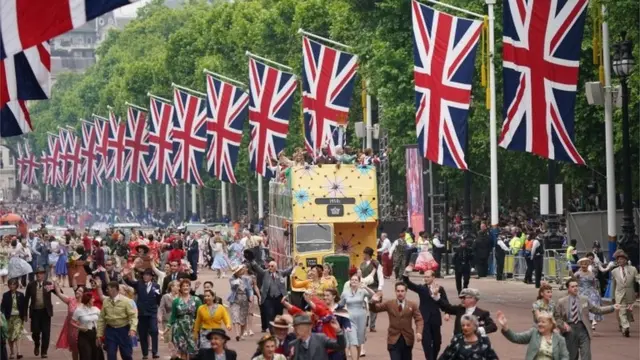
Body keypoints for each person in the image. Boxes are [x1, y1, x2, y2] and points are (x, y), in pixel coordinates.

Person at [553, 278, 621, 360]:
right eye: (572, 286)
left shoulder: (584, 299)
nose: (575, 288)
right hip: (569, 330)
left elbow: (597, 310)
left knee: (586, 355)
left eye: (576, 286)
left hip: (583, 329)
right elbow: (557, 317)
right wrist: (563, 325)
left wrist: (612, 307)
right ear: (568, 288)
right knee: (572, 356)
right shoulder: (561, 302)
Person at [403, 266, 449, 360]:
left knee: (437, 342)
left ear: (433, 277)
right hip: (424, 319)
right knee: (426, 342)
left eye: (428, 277)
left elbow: (445, 303)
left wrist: (447, 312)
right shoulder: (421, 288)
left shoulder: (440, 288)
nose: (426, 279)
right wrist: (406, 273)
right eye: (425, 277)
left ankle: (433, 358)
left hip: (435, 319)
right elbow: (408, 283)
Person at [368, 282, 423, 360]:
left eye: (402, 291)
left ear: (406, 292)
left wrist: (419, 332)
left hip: (407, 340)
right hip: (393, 339)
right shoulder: (390, 304)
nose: (400, 293)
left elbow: (419, 319)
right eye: (398, 291)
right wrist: (372, 302)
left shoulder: (412, 305)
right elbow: (375, 309)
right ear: (395, 291)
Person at [497, 310, 569, 360]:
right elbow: (516, 338)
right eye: (539, 322)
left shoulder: (559, 339)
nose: (539, 324)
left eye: (543, 322)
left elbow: (565, 357)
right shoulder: (533, 333)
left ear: (551, 324)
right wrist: (505, 327)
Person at [248, 257, 296, 329]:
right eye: (269, 266)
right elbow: (257, 268)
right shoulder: (265, 273)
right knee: (270, 314)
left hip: (279, 298)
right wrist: (252, 260)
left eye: (272, 266)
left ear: (276, 267)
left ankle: (278, 328)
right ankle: (272, 331)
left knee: (278, 314)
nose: (270, 267)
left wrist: (294, 265)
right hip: (268, 298)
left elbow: (288, 271)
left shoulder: (280, 273)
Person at [123, 267, 161, 359]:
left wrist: (158, 311)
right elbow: (129, 282)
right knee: (143, 333)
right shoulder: (139, 284)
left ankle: (155, 352)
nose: (145, 277)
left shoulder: (156, 286)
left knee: (154, 330)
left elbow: (158, 299)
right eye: (144, 275)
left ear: (151, 277)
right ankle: (145, 353)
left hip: (152, 312)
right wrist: (125, 275)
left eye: (147, 275)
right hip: (142, 313)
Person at [97, 281, 138, 360]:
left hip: (123, 330)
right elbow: (101, 319)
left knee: (126, 355)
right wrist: (99, 334)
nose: (106, 291)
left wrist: (133, 329)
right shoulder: (106, 302)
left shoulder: (126, 301)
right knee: (111, 355)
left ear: (114, 289)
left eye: (108, 289)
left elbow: (133, 316)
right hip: (110, 330)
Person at [432, 288, 497, 336]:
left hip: (474, 344)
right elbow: (447, 307)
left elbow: (493, 327)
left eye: (464, 298)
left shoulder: (482, 313)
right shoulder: (459, 309)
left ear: (473, 299)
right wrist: (437, 297)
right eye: (461, 298)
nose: (462, 300)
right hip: (458, 342)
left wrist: (477, 330)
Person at [340, 274, 374, 359]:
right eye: (352, 280)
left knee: (358, 341)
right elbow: (340, 305)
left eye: (356, 280)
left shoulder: (362, 291)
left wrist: (365, 287)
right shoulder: (345, 293)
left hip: (361, 317)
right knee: (352, 341)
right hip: (349, 318)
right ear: (350, 282)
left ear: (359, 282)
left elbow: (373, 295)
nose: (354, 281)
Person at [24, 267, 54, 358]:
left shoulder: (48, 284)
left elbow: (59, 292)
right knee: (35, 332)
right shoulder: (31, 285)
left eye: (41, 273)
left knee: (46, 333)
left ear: (44, 275)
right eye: (37, 274)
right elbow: (26, 299)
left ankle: (44, 351)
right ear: (35, 275)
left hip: (46, 312)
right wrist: (25, 314)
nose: (39, 275)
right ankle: (37, 344)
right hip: (35, 312)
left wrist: (55, 284)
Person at [169, 279, 202, 358]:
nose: (185, 287)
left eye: (187, 286)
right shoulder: (176, 301)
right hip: (179, 328)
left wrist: (200, 328)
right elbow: (173, 316)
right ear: (180, 288)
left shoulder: (196, 300)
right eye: (183, 286)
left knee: (193, 353)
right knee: (182, 352)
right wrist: (168, 326)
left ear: (190, 287)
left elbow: (200, 315)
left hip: (192, 328)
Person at [610, 249, 639, 337]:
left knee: (628, 311)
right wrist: (612, 296)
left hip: (630, 293)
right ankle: (625, 327)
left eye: (621, 259)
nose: (619, 261)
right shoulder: (614, 271)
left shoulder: (633, 269)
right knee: (622, 311)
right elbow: (613, 285)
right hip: (619, 294)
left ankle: (625, 326)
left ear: (625, 260)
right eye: (618, 259)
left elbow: (637, 278)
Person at [52, 280, 83, 360]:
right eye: (77, 290)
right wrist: (55, 284)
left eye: (80, 291)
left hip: (82, 330)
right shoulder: (70, 300)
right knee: (75, 350)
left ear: (83, 294)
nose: (77, 292)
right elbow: (59, 294)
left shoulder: (86, 303)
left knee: (83, 350)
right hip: (72, 330)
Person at [573, 257, 603, 331]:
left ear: (587, 265)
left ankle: (593, 320)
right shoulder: (578, 273)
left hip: (591, 291)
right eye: (582, 264)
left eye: (585, 264)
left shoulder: (592, 274)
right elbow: (573, 281)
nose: (584, 265)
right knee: (582, 307)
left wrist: (597, 292)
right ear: (580, 265)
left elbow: (594, 284)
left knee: (593, 303)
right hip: (581, 291)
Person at [71, 292, 103, 360]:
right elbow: (72, 322)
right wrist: (79, 327)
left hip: (95, 334)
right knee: (86, 355)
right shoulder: (79, 310)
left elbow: (101, 321)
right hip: (84, 335)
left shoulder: (96, 309)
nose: (94, 300)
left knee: (96, 355)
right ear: (88, 300)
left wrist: (99, 336)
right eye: (92, 299)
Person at [1, 279, 26, 360]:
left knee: (18, 333)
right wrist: (2, 316)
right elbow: (2, 307)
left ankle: (19, 352)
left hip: (18, 317)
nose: (12, 286)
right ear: (8, 285)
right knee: (10, 336)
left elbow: (24, 306)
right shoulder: (5, 295)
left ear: (16, 285)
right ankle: (12, 352)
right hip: (8, 318)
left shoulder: (21, 295)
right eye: (10, 284)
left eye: (14, 284)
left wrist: (25, 315)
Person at [360, 247, 383, 333]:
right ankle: (364, 324)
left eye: (364, 254)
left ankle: (372, 326)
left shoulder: (376, 263)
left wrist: (380, 288)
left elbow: (380, 276)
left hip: (374, 287)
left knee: (373, 307)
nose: (363, 255)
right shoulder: (362, 264)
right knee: (364, 306)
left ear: (368, 255)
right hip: (364, 288)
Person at [228, 265, 254, 341]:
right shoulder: (232, 278)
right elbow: (233, 286)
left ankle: (241, 334)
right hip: (235, 298)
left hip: (244, 299)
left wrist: (251, 296)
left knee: (243, 317)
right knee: (235, 316)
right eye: (239, 271)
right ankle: (237, 334)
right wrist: (237, 281)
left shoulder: (246, 279)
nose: (241, 272)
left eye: (241, 270)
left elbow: (249, 289)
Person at [158, 280, 179, 358]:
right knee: (169, 340)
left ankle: (177, 355)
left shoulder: (181, 296)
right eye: (176, 286)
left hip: (178, 321)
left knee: (177, 339)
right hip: (167, 321)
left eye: (178, 286)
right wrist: (159, 316)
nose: (178, 287)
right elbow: (161, 307)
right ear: (171, 287)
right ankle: (173, 355)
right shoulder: (165, 296)